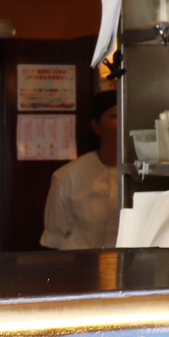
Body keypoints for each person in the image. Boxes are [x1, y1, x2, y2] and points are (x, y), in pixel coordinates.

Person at [40, 91, 120, 250]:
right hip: (81, 265)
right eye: (115, 116)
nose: (125, 121)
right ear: (96, 126)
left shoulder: (146, 175)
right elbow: (55, 237)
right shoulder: (68, 176)